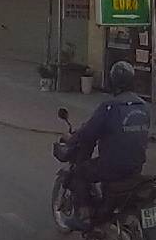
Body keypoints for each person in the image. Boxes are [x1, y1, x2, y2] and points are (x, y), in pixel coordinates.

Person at [63, 60, 150, 230]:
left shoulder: (110, 106)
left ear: (113, 82)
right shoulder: (143, 106)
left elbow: (88, 132)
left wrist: (70, 139)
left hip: (111, 167)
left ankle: (85, 217)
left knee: (79, 173)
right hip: (136, 165)